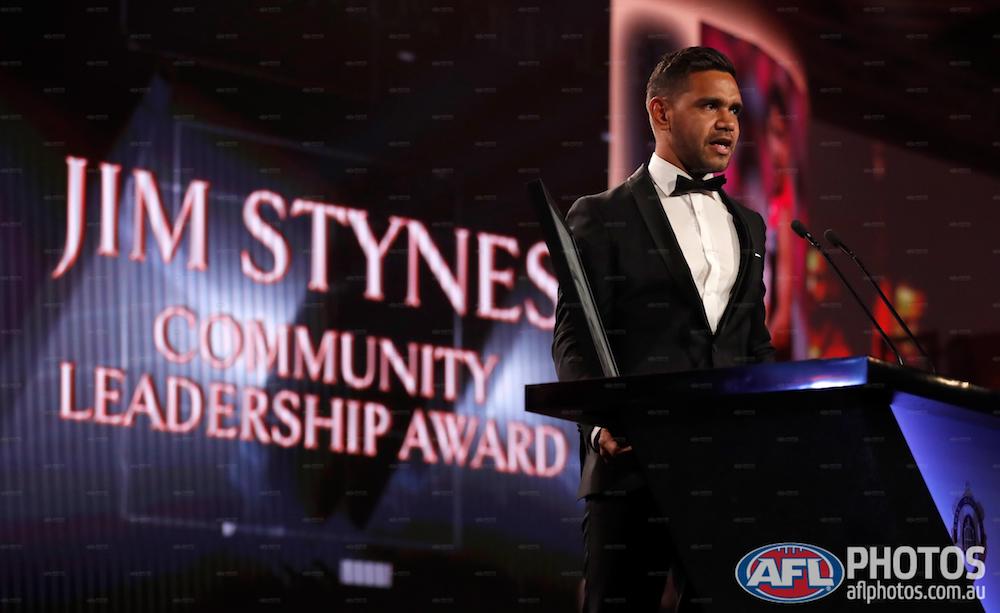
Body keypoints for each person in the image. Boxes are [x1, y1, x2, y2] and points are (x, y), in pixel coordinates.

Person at [551, 46, 775, 612]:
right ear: (660, 112)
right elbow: (574, 336)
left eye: (734, 109)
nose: (728, 122)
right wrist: (601, 424)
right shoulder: (599, 215)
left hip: (725, 472)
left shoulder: (749, 226)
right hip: (633, 465)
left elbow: (754, 346)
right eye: (709, 105)